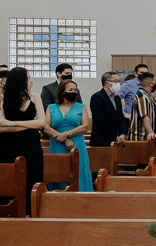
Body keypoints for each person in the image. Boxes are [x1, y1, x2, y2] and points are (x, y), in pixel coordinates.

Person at [0, 67, 45, 215]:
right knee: (11, 179)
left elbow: (41, 123)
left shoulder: (35, 97)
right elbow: (1, 127)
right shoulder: (2, 99)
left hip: (32, 145)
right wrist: (28, 125)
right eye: (27, 78)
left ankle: (32, 211)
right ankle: (9, 211)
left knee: (33, 176)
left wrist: (13, 123)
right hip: (8, 144)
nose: (29, 81)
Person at [44, 80, 92, 191]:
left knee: (79, 170)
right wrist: (63, 139)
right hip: (57, 145)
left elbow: (84, 126)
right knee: (58, 171)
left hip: (76, 145)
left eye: (75, 90)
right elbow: (47, 127)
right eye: (70, 90)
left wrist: (67, 134)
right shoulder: (51, 107)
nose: (73, 92)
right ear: (62, 91)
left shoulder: (81, 107)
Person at [89, 71, 127, 147]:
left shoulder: (117, 98)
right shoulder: (97, 97)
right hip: (102, 140)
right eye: (115, 81)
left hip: (118, 140)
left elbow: (121, 118)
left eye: (119, 81)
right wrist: (114, 136)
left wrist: (122, 134)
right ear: (106, 83)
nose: (118, 83)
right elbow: (101, 120)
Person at [128, 72, 156, 145]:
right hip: (141, 139)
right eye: (154, 82)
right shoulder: (142, 95)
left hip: (148, 139)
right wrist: (150, 132)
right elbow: (144, 115)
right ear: (151, 84)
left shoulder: (148, 96)